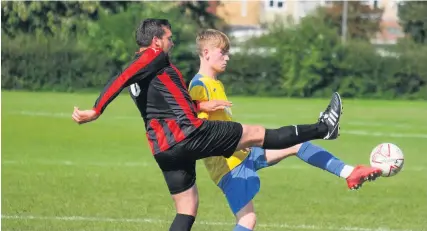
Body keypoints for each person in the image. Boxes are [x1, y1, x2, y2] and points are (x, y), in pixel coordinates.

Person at [71, 19, 345, 231]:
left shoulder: (145, 77)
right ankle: (324, 127)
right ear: (156, 42)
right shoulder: (152, 58)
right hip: (190, 134)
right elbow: (122, 76)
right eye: (169, 38)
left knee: (187, 209)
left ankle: (323, 130)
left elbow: (163, 109)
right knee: (256, 134)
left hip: (163, 150)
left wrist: (201, 106)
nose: (173, 42)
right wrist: (96, 109)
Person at [188, 29, 383, 231]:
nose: (227, 57)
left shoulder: (214, 83)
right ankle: (324, 129)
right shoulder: (199, 86)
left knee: (297, 145)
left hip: (243, 153)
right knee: (247, 220)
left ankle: (350, 172)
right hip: (228, 166)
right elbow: (199, 131)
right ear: (207, 52)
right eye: (223, 52)